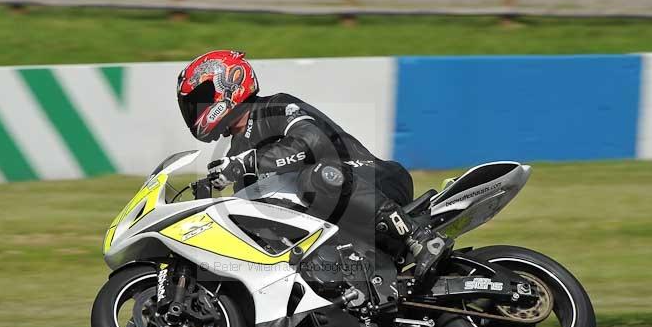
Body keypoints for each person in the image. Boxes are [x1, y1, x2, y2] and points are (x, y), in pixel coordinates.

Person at [176, 50, 452, 282]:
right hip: (339, 220)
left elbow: (313, 141)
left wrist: (247, 163)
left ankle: (419, 237)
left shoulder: (274, 107)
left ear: (227, 85)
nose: (195, 110)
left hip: (373, 179)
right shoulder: (235, 150)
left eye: (199, 98)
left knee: (315, 178)